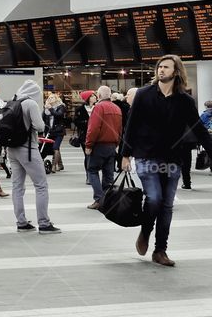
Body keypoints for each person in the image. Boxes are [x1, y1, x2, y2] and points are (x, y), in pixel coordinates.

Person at [120, 56, 212, 267]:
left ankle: (160, 250)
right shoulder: (143, 95)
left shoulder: (185, 101)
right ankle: (145, 230)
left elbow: (199, 130)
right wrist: (125, 155)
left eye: (166, 67)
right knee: (153, 198)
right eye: (159, 67)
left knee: (166, 206)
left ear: (176, 71)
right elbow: (131, 126)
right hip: (145, 156)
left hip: (172, 159)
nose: (161, 70)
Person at [6, 79, 59, 234]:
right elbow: (40, 126)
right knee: (41, 185)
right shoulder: (30, 104)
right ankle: (44, 223)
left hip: (12, 149)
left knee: (17, 186)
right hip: (28, 148)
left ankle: (21, 222)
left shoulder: (12, 101)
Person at [85, 85, 121, 210]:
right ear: (110, 95)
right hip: (112, 145)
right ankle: (107, 199)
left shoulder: (98, 107)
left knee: (92, 171)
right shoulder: (117, 108)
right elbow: (120, 128)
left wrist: (88, 144)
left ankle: (99, 199)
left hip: (99, 145)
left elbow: (93, 128)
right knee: (108, 175)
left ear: (99, 96)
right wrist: (117, 143)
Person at [43, 93, 67, 173]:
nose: (50, 99)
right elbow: (43, 119)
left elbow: (58, 115)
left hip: (59, 131)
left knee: (55, 147)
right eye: (49, 98)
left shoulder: (61, 107)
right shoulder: (47, 109)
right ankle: (60, 164)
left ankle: (53, 166)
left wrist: (50, 109)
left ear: (56, 98)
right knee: (55, 148)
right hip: (50, 132)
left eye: (52, 97)